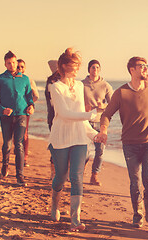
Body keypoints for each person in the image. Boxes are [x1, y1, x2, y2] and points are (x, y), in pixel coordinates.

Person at [95, 56, 148, 231]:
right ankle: (137, 213)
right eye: (141, 66)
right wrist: (103, 131)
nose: (145, 69)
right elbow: (106, 114)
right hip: (130, 144)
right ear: (131, 70)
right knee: (135, 181)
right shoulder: (121, 93)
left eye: (146, 66)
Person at [48, 48, 97, 232]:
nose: (77, 69)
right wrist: (90, 115)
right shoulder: (55, 87)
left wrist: (93, 134)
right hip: (60, 137)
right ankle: (55, 205)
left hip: (78, 138)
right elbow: (64, 113)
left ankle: (75, 219)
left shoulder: (79, 86)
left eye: (78, 65)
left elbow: (80, 118)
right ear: (63, 66)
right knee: (61, 176)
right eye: (74, 65)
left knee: (76, 177)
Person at [0, 51, 35, 186]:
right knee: (7, 143)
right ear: (5, 64)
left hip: (21, 115)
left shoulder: (25, 79)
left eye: (14, 62)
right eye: (9, 63)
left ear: (17, 62)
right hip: (6, 117)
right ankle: (5, 164)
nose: (12, 65)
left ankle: (20, 176)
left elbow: (29, 96)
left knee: (19, 144)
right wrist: (2, 109)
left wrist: (31, 105)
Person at [82, 59, 113, 186]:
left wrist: (103, 105)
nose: (95, 70)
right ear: (89, 69)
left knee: (100, 150)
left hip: (100, 122)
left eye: (97, 68)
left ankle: (94, 175)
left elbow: (113, 104)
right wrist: (84, 107)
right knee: (84, 150)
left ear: (100, 70)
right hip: (85, 121)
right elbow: (74, 101)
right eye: (93, 67)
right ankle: (79, 173)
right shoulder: (81, 84)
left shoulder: (105, 85)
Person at [17, 59, 39, 167]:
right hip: (14, 111)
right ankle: (19, 154)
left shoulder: (29, 80)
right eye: (18, 67)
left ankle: (25, 157)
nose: (20, 69)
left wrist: (29, 105)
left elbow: (36, 95)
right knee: (15, 135)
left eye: (22, 67)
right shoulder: (13, 79)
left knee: (24, 134)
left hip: (25, 111)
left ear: (25, 68)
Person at [45, 60, 60, 179]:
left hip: (54, 117)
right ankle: (54, 171)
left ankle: (55, 171)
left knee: (59, 143)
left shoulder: (52, 81)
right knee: (56, 144)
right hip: (54, 117)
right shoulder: (51, 81)